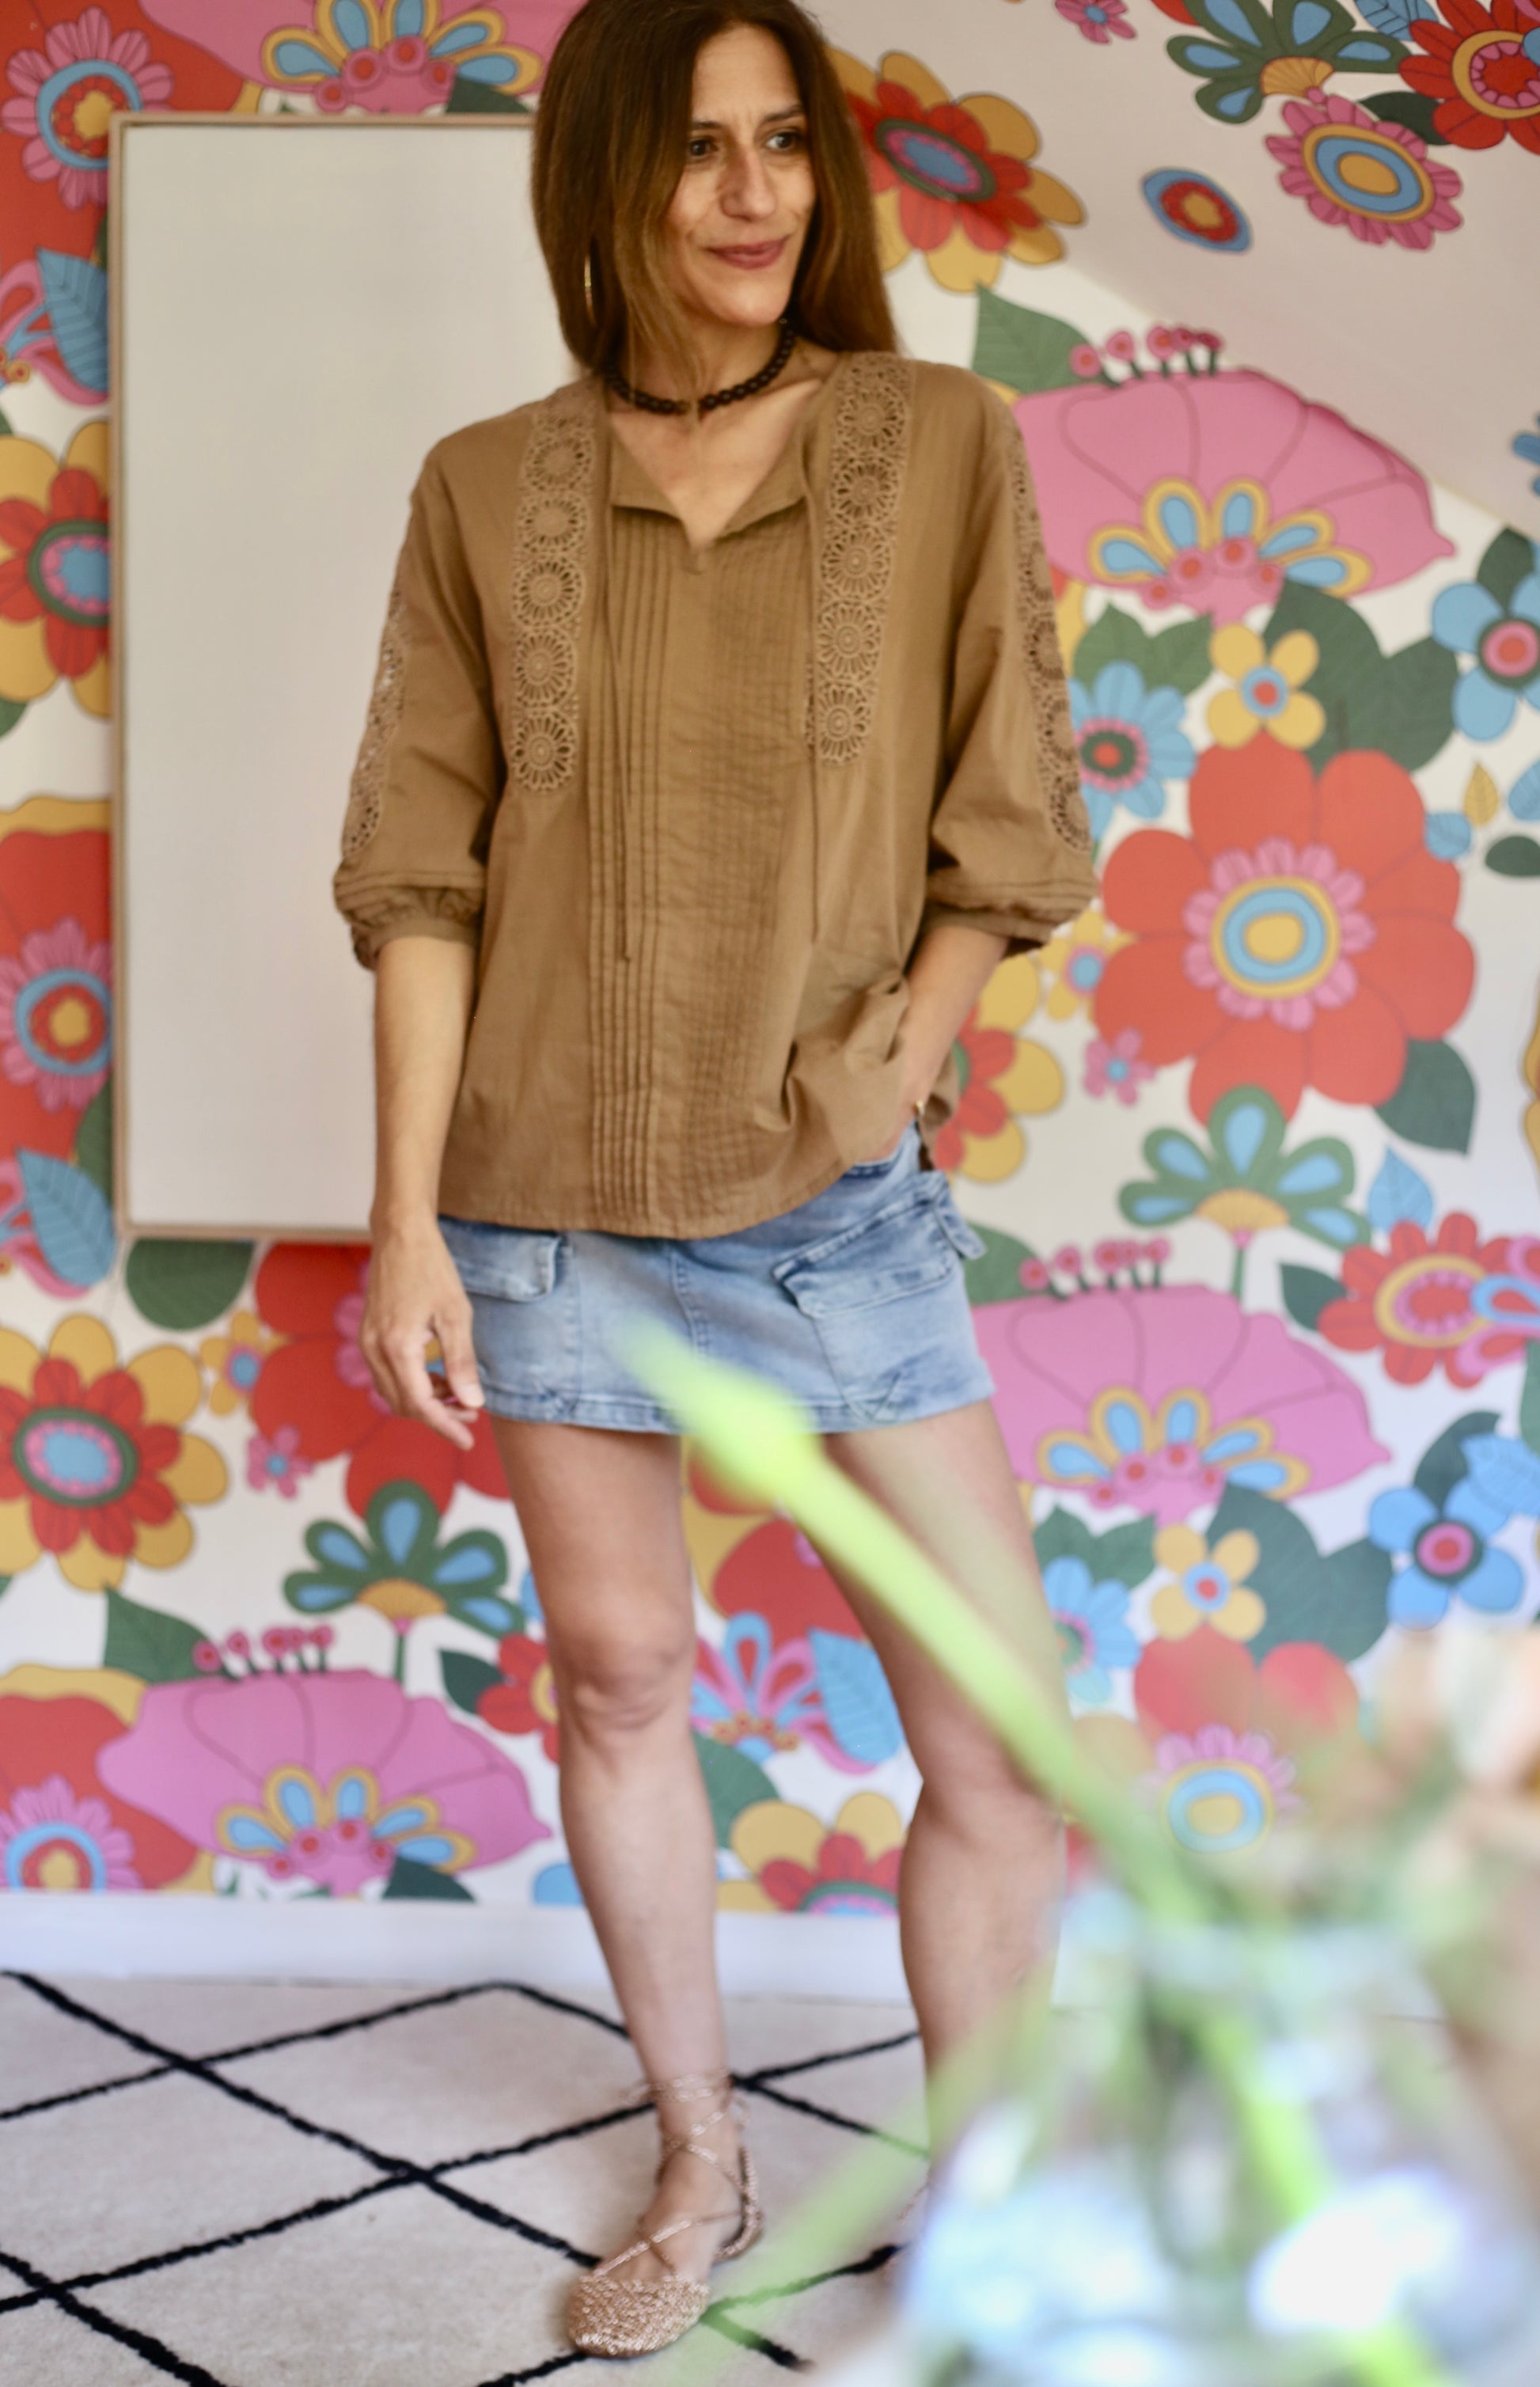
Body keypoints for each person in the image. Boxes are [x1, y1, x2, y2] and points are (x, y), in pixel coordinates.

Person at [333, 0, 1098, 2358]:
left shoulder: (937, 442)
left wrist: (896, 1068)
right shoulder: (485, 488)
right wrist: (406, 1221)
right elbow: (423, 876)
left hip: (835, 1208)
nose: (756, 195)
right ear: (603, 181)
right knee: (622, 1675)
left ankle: (985, 2206)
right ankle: (702, 2153)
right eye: (697, 151)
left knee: (998, 1734)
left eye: (785, 145)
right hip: (544, 1197)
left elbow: (1006, 818)